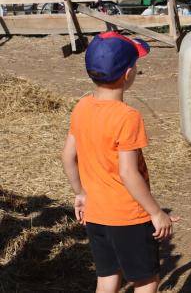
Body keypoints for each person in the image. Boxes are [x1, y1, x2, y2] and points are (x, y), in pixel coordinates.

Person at [61, 31, 178, 293]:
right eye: (135, 64)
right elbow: (128, 173)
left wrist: (80, 193)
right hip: (128, 217)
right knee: (146, 280)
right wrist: (156, 212)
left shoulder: (82, 107)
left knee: (107, 276)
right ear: (127, 75)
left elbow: (67, 155)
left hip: (96, 214)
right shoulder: (128, 117)